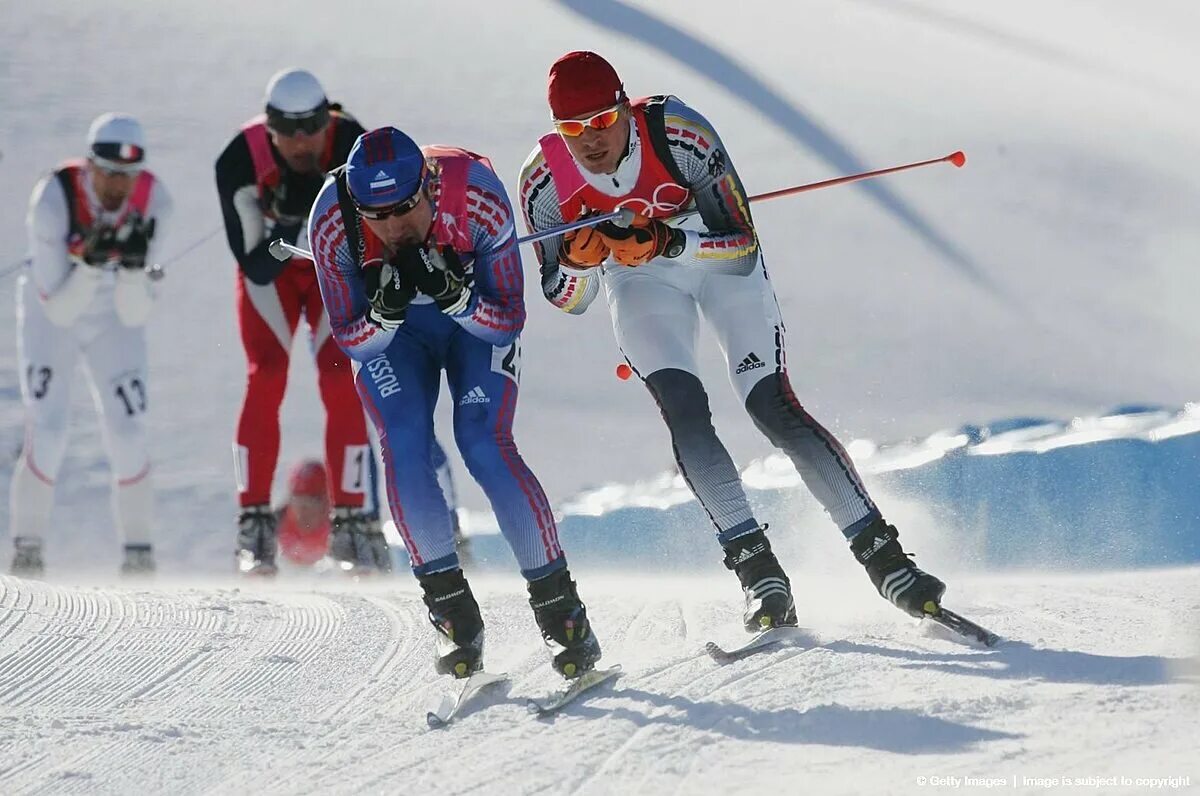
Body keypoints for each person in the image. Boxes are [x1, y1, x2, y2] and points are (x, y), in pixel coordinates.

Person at [518, 51, 948, 631]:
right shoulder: (544, 181)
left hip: (714, 261)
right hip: (638, 283)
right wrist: (577, 262)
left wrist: (669, 243)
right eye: (572, 129)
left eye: (599, 121)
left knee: (770, 406)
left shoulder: (679, 133)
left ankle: (886, 560)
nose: (589, 141)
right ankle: (759, 575)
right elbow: (567, 300)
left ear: (623, 106)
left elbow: (741, 241)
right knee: (686, 414)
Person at [308, 126, 601, 679]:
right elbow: (348, 338)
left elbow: (508, 319)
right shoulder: (332, 218)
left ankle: (564, 617)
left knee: (482, 441)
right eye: (376, 214)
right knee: (404, 440)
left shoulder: (477, 194)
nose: (393, 227)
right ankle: (453, 619)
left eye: (404, 208)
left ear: (430, 187)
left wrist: (459, 299)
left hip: (473, 329)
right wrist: (385, 316)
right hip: (398, 339)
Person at [215, 68, 384, 575]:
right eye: (286, 132)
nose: (300, 141)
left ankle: (353, 522)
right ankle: (254, 525)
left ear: (327, 117)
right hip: (275, 275)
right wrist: (290, 221)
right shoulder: (239, 160)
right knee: (266, 374)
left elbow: (369, 238)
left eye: (311, 127)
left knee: (340, 374)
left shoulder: (353, 141)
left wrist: (310, 217)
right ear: (268, 129)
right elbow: (254, 263)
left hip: (332, 268)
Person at [9, 113, 171, 577]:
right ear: (88, 166)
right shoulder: (53, 199)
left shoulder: (156, 199)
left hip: (112, 321)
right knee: (51, 427)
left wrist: (135, 270)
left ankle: (139, 556)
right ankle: (28, 550)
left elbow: (135, 314)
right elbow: (58, 308)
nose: (119, 186)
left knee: (128, 429)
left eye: (128, 175)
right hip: (53, 314)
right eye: (109, 173)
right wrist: (91, 266)